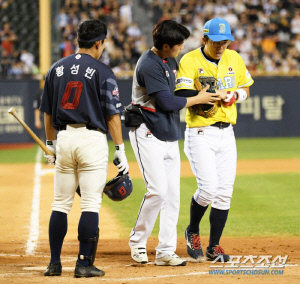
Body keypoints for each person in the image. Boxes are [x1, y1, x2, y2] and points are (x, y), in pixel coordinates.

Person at [128, 20, 222, 266]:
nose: (183, 46)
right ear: (166, 45)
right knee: (157, 190)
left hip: (168, 132)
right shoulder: (149, 64)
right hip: (147, 130)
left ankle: (165, 251)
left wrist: (203, 95)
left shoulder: (170, 60)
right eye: (179, 43)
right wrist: (198, 98)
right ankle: (138, 242)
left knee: (172, 196)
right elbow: (167, 103)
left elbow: (177, 95)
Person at [40, 19, 129, 278]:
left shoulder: (55, 68)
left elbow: (47, 114)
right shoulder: (102, 71)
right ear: (99, 42)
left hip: (65, 139)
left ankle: (54, 263)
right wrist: (120, 149)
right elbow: (112, 116)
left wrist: (50, 144)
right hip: (91, 141)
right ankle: (83, 264)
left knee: (60, 204)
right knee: (90, 203)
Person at [175, 18, 254, 262]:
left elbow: (246, 90)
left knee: (224, 193)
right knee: (208, 188)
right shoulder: (190, 60)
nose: (221, 46)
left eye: (225, 42)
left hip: (226, 133)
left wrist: (231, 95)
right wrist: (207, 95)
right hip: (200, 132)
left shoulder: (234, 58)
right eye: (217, 42)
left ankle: (214, 246)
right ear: (205, 39)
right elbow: (181, 92)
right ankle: (193, 230)